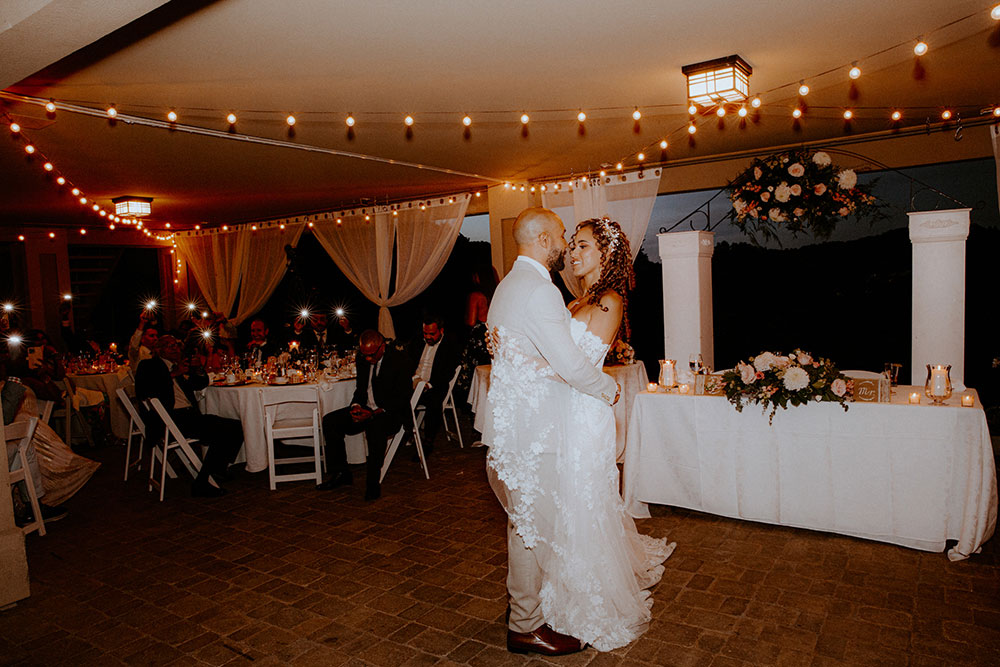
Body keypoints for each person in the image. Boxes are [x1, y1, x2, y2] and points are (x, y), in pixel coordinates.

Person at [483, 207, 621, 656]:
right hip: (534, 432)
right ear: (544, 240)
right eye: (564, 236)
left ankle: (526, 608)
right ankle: (526, 625)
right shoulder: (540, 291)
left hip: (519, 429)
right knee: (531, 530)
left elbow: (521, 355)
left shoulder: (508, 286)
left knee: (527, 525)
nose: (566, 245)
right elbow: (570, 367)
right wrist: (610, 388)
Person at [542, 216, 675, 651]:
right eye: (574, 246)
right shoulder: (581, 298)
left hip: (584, 412)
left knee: (583, 497)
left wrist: (539, 371)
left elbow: (580, 369)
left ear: (606, 254)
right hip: (568, 409)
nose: (573, 254)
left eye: (582, 246)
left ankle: (591, 592)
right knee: (569, 496)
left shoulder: (609, 301)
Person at [135, 335, 243, 497]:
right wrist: (173, 374)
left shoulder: (178, 367)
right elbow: (144, 390)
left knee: (237, 426)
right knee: (222, 430)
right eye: (169, 346)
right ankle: (202, 481)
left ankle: (218, 469)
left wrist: (198, 369)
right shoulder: (149, 365)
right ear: (158, 350)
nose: (175, 348)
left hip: (187, 416)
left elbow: (200, 384)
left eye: (177, 345)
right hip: (168, 420)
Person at [318, 330, 412, 501]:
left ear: (382, 346)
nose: (368, 359)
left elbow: (402, 398)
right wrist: (356, 407)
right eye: (364, 354)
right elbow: (361, 389)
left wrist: (374, 412)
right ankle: (341, 473)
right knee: (330, 421)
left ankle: (373, 483)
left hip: (389, 412)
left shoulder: (399, 360)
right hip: (366, 409)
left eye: (372, 355)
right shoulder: (362, 358)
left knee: (375, 427)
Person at [406, 313, 460, 455]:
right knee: (397, 394)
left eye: (432, 334)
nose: (428, 337)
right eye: (425, 333)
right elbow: (407, 362)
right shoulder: (418, 340)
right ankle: (408, 430)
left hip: (435, 384)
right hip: (414, 381)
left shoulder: (450, 344)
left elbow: (448, 372)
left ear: (441, 331)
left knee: (434, 401)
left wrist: (428, 385)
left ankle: (428, 440)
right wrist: (415, 379)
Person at [456, 264, 496, 399]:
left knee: (475, 376)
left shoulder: (476, 296)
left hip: (478, 338)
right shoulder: (494, 294)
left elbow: (471, 321)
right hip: (490, 335)